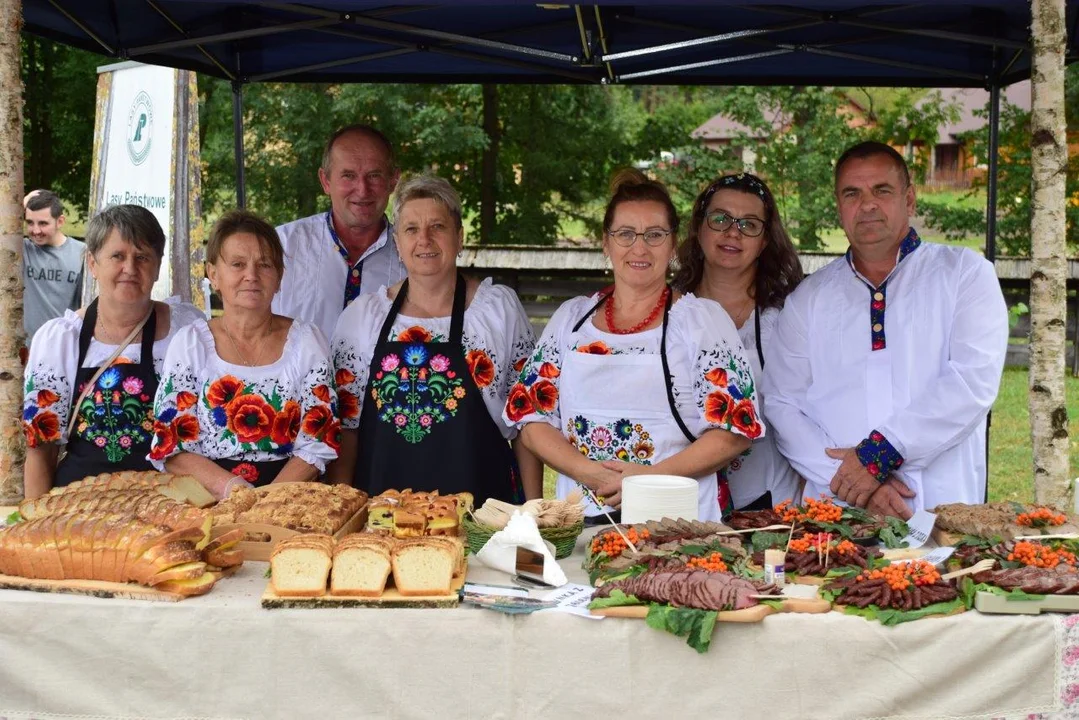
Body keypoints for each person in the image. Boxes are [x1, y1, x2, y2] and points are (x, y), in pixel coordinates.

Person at [764, 141, 1009, 519]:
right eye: (852, 193)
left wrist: (880, 454)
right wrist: (853, 481)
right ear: (839, 206)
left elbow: (972, 383)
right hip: (838, 509)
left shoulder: (964, 273)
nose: (867, 205)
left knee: (946, 576)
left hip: (939, 504)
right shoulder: (809, 299)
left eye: (882, 190)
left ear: (909, 199)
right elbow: (783, 403)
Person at [505, 169, 764, 522]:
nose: (639, 248)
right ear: (606, 242)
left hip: (678, 523)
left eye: (654, 235)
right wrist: (591, 474)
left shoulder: (702, 322)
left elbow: (736, 430)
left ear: (673, 244)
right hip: (580, 520)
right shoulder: (572, 320)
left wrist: (647, 480)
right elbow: (530, 418)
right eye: (625, 234)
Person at [327, 175, 540, 504]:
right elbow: (347, 429)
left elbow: (527, 422)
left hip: (483, 514)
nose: (424, 239)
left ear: (459, 237)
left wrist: (533, 511)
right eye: (411, 229)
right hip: (382, 516)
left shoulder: (497, 310)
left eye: (437, 226)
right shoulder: (363, 318)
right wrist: (343, 507)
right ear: (397, 242)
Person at [149, 210, 340, 499]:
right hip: (208, 498)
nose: (251, 275)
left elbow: (320, 439)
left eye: (264, 265)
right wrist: (234, 491)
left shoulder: (307, 341)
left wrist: (267, 502)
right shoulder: (190, 344)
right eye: (238, 264)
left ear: (279, 277)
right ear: (213, 274)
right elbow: (171, 446)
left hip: (290, 498)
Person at [21, 205, 202, 498]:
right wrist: (37, 526)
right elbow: (42, 450)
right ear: (92, 263)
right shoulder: (60, 340)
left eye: (142, 257)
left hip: (167, 503)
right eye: (117, 256)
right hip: (79, 504)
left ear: (157, 266)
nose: (130, 268)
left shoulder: (185, 329)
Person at [673, 172, 803, 511]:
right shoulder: (667, 314)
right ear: (699, 228)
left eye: (749, 224)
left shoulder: (788, 318)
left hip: (769, 501)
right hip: (678, 497)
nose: (733, 232)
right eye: (720, 219)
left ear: (764, 240)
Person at [273, 124, 408, 339]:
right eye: (348, 175)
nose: (362, 190)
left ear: (393, 180)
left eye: (374, 175)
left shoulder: (414, 259)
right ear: (325, 181)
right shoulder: (280, 247)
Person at [23, 190, 86, 341]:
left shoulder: (83, 253)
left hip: (64, 346)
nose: (36, 230)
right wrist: (21, 205)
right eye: (30, 223)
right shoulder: (21, 250)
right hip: (25, 350)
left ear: (60, 221)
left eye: (43, 223)